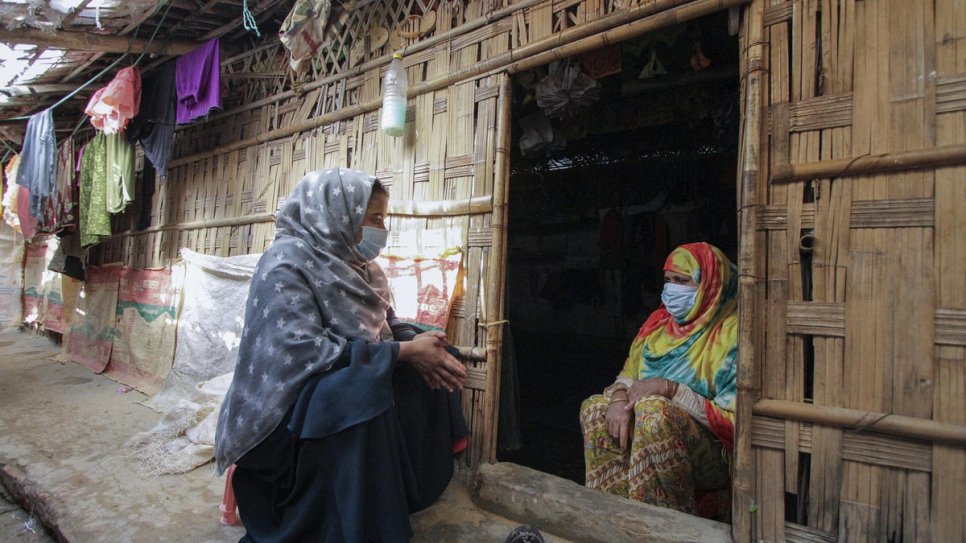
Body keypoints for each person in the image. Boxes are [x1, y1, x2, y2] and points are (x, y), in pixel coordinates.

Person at [214, 168, 469, 542]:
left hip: (341, 372)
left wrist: (408, 339)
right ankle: (349, 515)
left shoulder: (361, 267)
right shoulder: (285, 264)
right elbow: (305, 351)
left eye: (384, 218)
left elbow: (386, 316)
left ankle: (396, 491)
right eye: (374, 219)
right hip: (284, 411)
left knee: (433, 356)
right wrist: (401, 351)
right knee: (360, 392)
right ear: (338, 214)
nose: (383, 229)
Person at [579, 242, 736, 520]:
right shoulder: (658, 323)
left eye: (681, 281)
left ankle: (663, 524)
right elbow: (626, 378)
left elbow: (736, 421)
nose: (672, 289)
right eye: (667, 280)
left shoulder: (732, 333)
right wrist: (617, 398)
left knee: (654, 410)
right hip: (647, 436)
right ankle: (611, 517)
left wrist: (670, 389)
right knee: (595, 409)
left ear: (708, 283)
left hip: (713, 452)